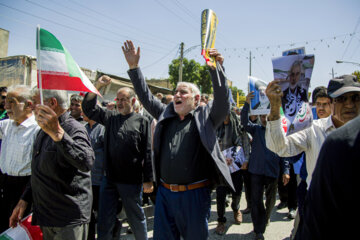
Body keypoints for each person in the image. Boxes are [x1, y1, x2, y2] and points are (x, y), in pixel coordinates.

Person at [122, 40, 233, 239]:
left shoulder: (206, 118)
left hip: (195, 196)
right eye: (175, 92)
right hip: (165, 195)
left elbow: (224, 101)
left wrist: (217, 69)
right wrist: (134, 67)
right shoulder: (166, 114)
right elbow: (146, 97)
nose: (177, 95)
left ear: (196, 100)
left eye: (183, 92)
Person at [10, 89, 94, 240]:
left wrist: (59, 135)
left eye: (35, 103)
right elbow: (38, 170)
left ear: (52, 104)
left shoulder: (74, 128)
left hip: (67, 218)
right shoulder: (42, 132)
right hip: (46, 215)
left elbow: (86, 162)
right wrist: (24, 200)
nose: (32, 107)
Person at [82, 77, 153, 240]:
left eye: (124, 99)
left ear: (133, 101)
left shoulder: (142, 121)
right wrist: (98, 85)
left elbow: (147, 151)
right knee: (105, 220)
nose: (120, 103)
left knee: (136, 218)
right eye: (118, 99)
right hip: (109, 180)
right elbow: (88, 107)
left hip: (131, 181)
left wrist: (148, 179)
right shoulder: (110, 117)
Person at [295, 115, 360, 240]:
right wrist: (275, 114)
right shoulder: (334, 140)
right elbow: (284, 148)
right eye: (342, 99)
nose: (349, 104)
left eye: (355, 98)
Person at [241, 91, 288, 240]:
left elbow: (284, 152)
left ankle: (266, 217)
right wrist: (247, 104)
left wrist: (285, 170)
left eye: (265, 116)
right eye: (261, 116)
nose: (263, 119)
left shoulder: (278, 131)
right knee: (256, 201)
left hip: (272, 172)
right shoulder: (256, 129)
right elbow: (243, 121)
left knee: (271, 200)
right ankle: (258, 229)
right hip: (256, 171)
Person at [0, 85, 40, 233]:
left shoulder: (37, 130)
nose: (6, 105)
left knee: (18, 231)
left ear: (29, 105)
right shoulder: (7, 125)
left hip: (25, 188)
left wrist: (26, 198)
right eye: (6, 101)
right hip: (5, 184)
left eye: (12, 101)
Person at [214, 111, 248, 235]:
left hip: (235, 166)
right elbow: (212, 146)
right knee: (221, 194)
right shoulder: (216, 127)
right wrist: (221, 158)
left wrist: (245, 160)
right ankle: (221, 221)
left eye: (226, 114)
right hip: (221, 166)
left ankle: (236, 209)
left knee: (237, 191)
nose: (224, 118)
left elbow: (244, 143)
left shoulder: (238, 127)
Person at [82, 111, 106, 240]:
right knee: (88, 214)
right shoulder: (83, 128)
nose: (81, 112)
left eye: (85, 110)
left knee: (103, 214)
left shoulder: (103, 129)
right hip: (86, 180)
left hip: (100, 180)